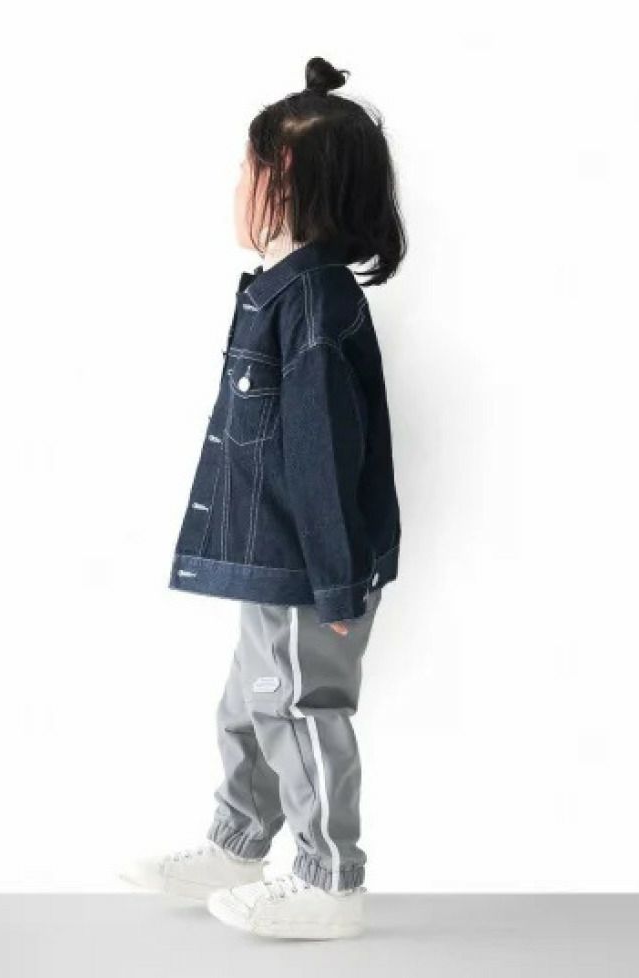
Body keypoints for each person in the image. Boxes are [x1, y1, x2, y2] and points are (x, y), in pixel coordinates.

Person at [120, 56, 406, 940]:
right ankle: (239, 843)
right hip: (274, 552)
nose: (234, 184)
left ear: (282, 181)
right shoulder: (277, 295)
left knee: (300, 708)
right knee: (250, 700)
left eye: (246, 167)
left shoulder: (312, 303)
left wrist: (336, 587)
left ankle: (330, 881)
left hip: (309, 564)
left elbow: (323, 456)